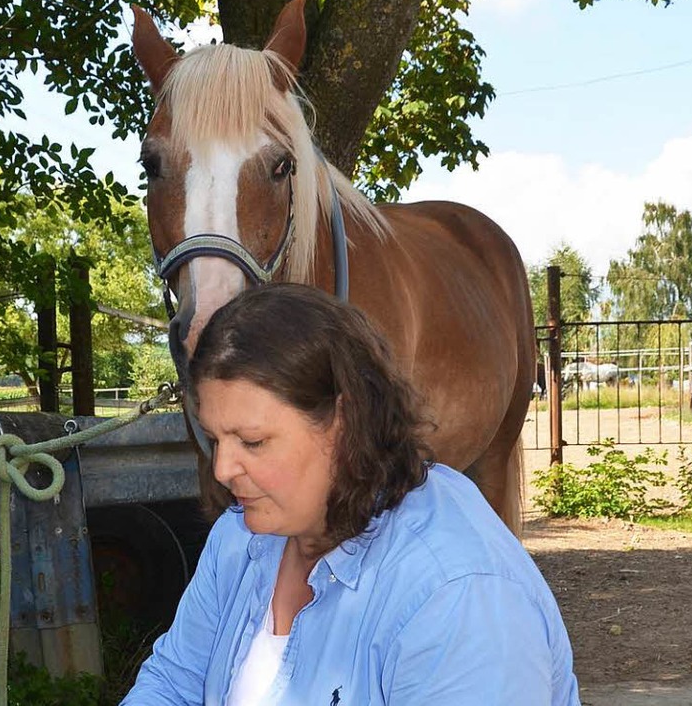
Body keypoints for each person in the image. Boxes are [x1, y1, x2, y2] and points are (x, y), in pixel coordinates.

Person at [122, 283, 580, 705]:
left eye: (253, 441)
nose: (222, 469)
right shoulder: (239, 538)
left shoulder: (460, 598)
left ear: (344, 423)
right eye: (215, 438)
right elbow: (173, 682)